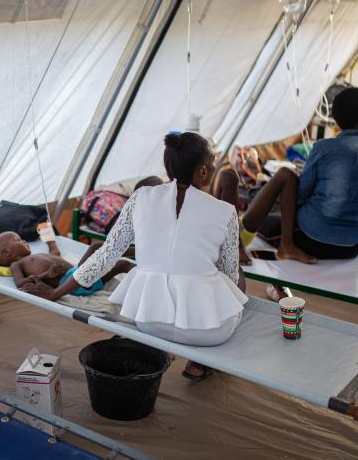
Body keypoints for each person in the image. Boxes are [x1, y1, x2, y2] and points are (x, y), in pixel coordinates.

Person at [23, 132, 248, 380]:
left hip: (149, 321)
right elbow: (228, 274)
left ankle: (177, 347)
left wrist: (55, 293)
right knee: (236, 278)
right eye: (214, 161)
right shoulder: (225, 211)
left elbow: (105, 255)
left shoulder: (140, 197)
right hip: (209, 333)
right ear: (204, 171)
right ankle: (199, 361)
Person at [239, 87, 358, 262]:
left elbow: (301, 196)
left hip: (312, 240)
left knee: (281, 186)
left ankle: (247, 242)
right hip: (353, 246)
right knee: (287, 180)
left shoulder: (324, 148)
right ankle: (280, 252)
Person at [0, 232, 134, 296]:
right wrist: (46, 275)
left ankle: (149, 278)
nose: (24, 241)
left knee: (122, 265)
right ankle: (138, 250)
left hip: (82, 276)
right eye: (18, 240)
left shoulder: (37, 256)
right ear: (6, 253)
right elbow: (21, 283)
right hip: (71, 283)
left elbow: (54, 251)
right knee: (95, 248)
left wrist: (48, 237)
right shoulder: (17, 264)